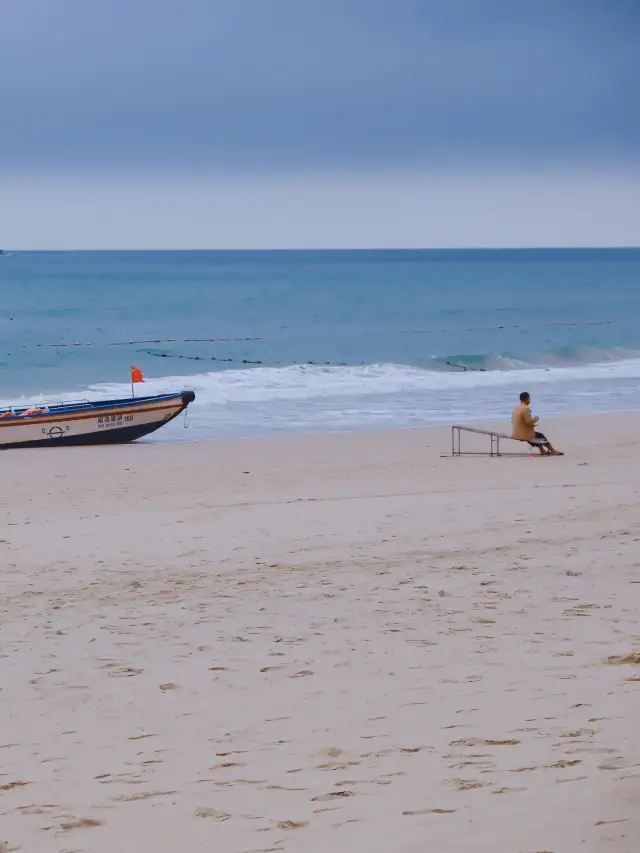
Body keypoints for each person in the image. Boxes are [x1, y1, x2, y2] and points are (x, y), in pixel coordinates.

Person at [512, 392, 563, 456]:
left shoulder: (516, 407)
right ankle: (553, 451)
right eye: (529, 399)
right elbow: (529, 422)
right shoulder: (525, 408)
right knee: (540, 435)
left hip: (516, 433)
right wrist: (536, 418)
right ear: (527, 399)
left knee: (536, 435)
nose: (530, 400)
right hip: (522, 434)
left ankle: (542, 450)